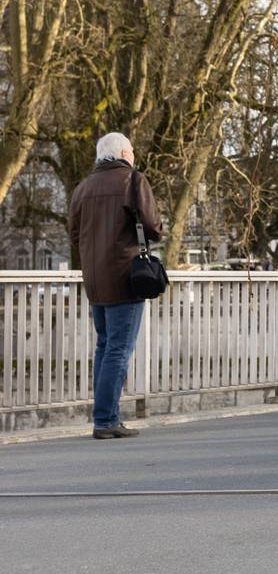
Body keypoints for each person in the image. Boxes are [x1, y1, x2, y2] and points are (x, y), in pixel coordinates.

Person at [67, 133, 161, 440]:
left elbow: (74, 235)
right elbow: (153, 226)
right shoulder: (133, 181)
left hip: (94, 281)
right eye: (132, 150)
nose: (134, 155)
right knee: (119, 350)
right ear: (123, 152)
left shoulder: (82, 188)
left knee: (105, 347)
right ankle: (106, 420)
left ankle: (104, 416)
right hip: (125, 278)